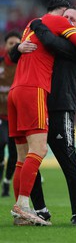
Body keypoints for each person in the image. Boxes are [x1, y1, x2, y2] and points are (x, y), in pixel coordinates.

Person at [7, 0, 76, 226]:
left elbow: (57, 44)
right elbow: (14, 55)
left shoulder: (71, 40)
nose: (66, 21)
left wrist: (38, 25)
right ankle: (31, 208)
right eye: (65, 17)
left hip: (58, 105)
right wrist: (18, 47)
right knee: (32, 153)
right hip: (36, 96)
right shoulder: (47, 30)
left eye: (72, 19)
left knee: (62, 159)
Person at [0, 31, 20, 197]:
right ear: (5, 46)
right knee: (1, 143)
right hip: (1, 115)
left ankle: (6, 182)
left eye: (16, 44)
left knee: (14, 153)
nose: (13, 46)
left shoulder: (25, 63)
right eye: (10, 44)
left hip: (18, 115)